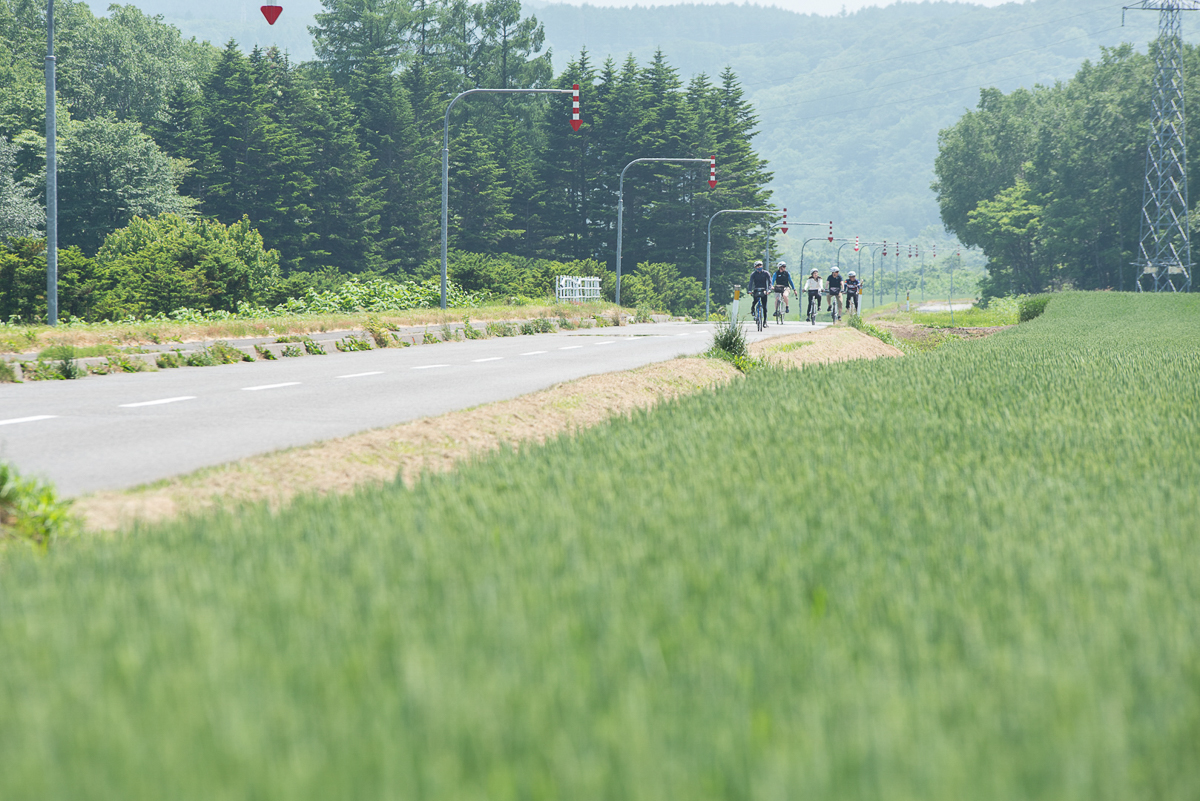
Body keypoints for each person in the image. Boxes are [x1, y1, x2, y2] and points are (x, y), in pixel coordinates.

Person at [748, 260, 772, 325]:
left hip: (764, 290)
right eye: (757, 266)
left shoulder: (766, 273)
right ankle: (753, 309)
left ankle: (764, 321)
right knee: (755, 302)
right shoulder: (753, 274)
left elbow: (770, 282)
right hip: (756, 289)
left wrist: (769, 289)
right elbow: (751, 283)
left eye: (760, 265)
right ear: (755, 267)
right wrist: (749, 290)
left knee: (764, 306)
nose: (759, 267)